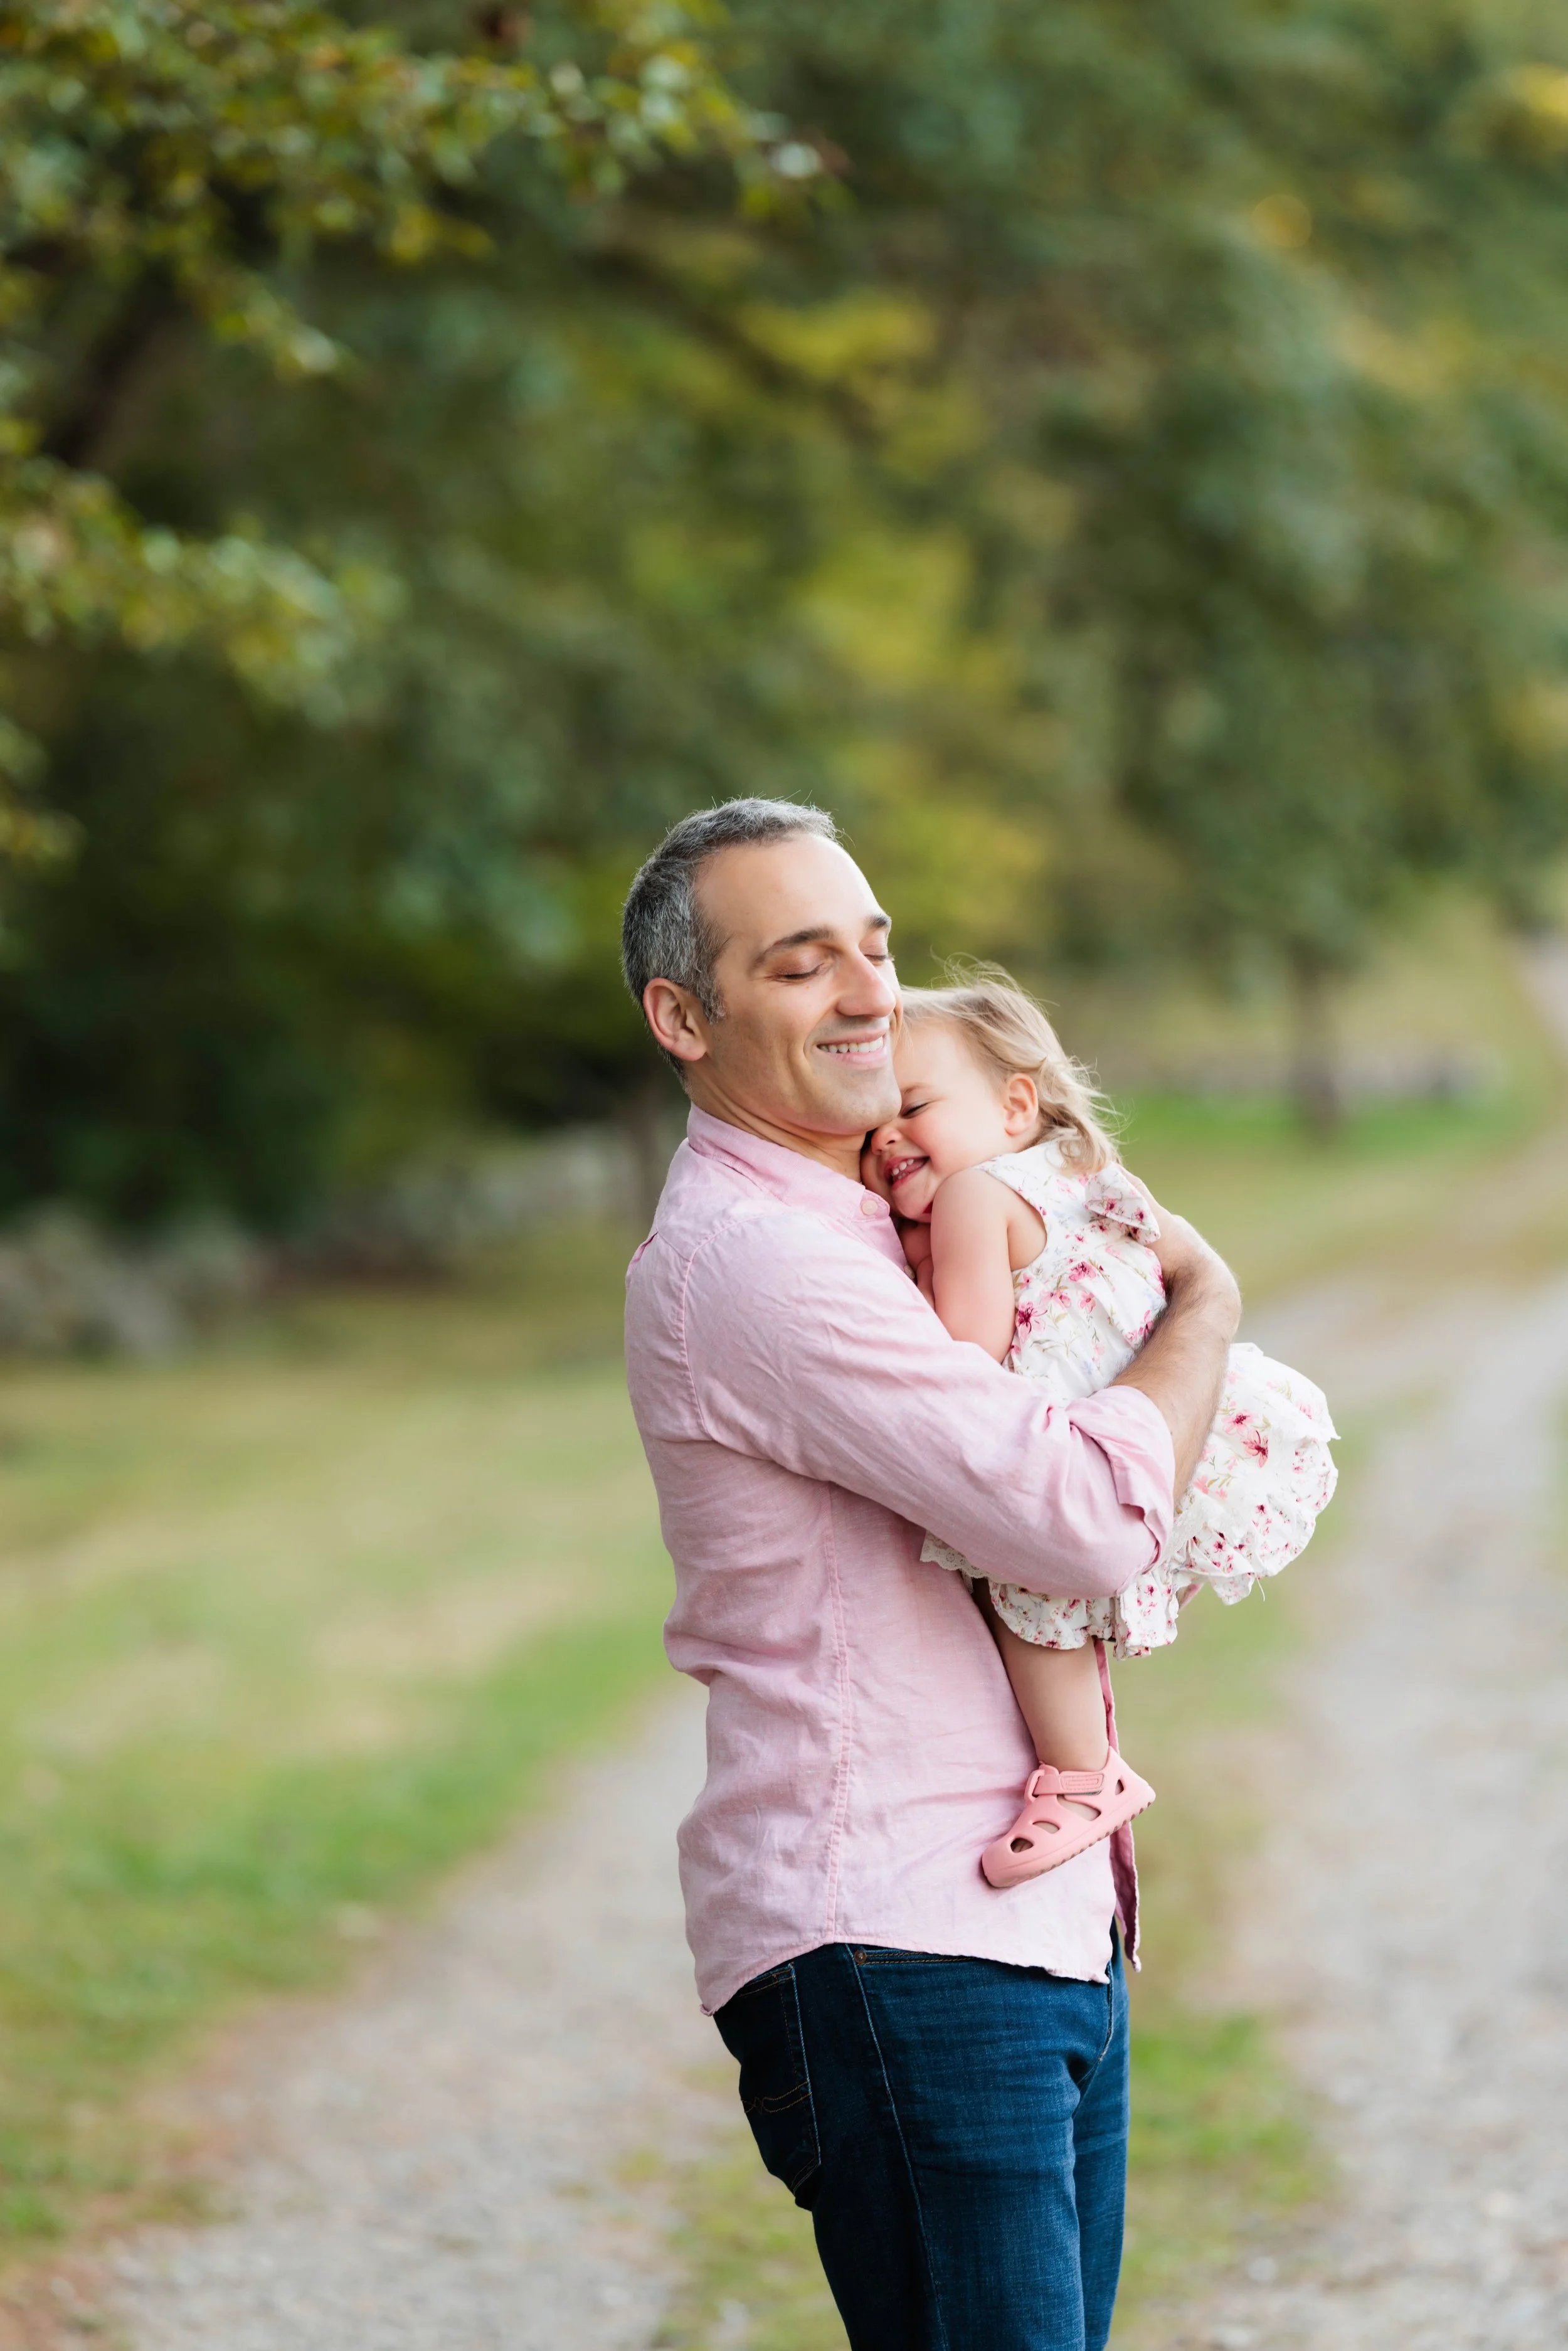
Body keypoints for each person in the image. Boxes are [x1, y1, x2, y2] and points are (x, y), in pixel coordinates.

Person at [620, 798, 1241, 2351]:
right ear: (680, 1018)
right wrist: (1206, 1309)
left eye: (875, 947)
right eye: (800, 963)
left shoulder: (876, 1215)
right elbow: (1083, 1517)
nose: (866, 993)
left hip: (1017, 1933)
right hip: (900, 1941)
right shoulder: (763, 1263)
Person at [861, 975, 1337, 1889]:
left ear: (1014, 1101)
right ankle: (1089, 1761)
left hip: (1080, 1444)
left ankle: (1083, 1775)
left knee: (1028, 1609)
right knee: (1066, 1611)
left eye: (913, 1105)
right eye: (875, 1120)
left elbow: (965, 1357)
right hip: (1176, 1432)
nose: (888, 1134)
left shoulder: (972, 1197)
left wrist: (915, 1272)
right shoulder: (1082, 1171)